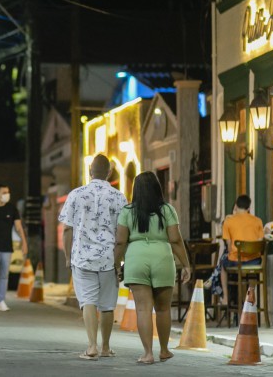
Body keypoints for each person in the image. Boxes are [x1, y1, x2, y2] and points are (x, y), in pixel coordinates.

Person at [114, 171, 191, 365]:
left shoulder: (127, 211)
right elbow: (175, 239)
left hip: (136, 259)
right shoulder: (167, 210)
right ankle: (164, 350)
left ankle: (147, 353)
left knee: (143, 309)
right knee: (164, 309)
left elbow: (121, 242)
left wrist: (116, 264)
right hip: (162, 259)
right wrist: (186, 264)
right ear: (157, 188)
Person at [59, 155, 128, 361]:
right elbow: (124, 233)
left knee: (88, 301)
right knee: (107, 305)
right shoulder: (119, 197)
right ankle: (106, 347)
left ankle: (92, 346)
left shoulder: (76, 194)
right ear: (109, 172)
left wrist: (67, 257)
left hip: (82, 257)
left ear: (90, 170)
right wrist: (120, 260)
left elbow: (67, 230)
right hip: (109, 258)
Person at [206, 195, 264, 305]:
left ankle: (226, 298)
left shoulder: (229, 221)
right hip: (254, 261)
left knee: (223, 265)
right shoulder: (258, 221)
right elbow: (260, 242)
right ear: (248, 208)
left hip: (236, 261)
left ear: (236, 206)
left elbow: (228, 245)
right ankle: (251, 292)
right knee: (252, 269)